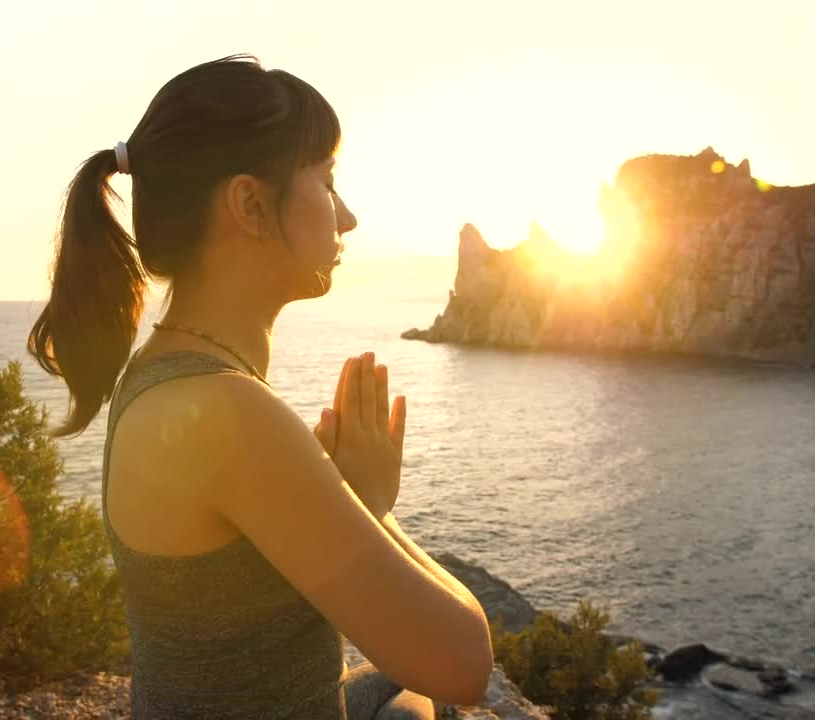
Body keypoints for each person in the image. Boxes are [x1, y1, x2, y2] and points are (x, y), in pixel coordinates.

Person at [27, 54, 493, 719]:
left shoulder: (163, 376)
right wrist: (374, 508)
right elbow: (465, 663)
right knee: (430, 704)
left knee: (405, 700)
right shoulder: (227, 413)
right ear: (249, 203)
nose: (349, 216)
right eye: (327, 181)